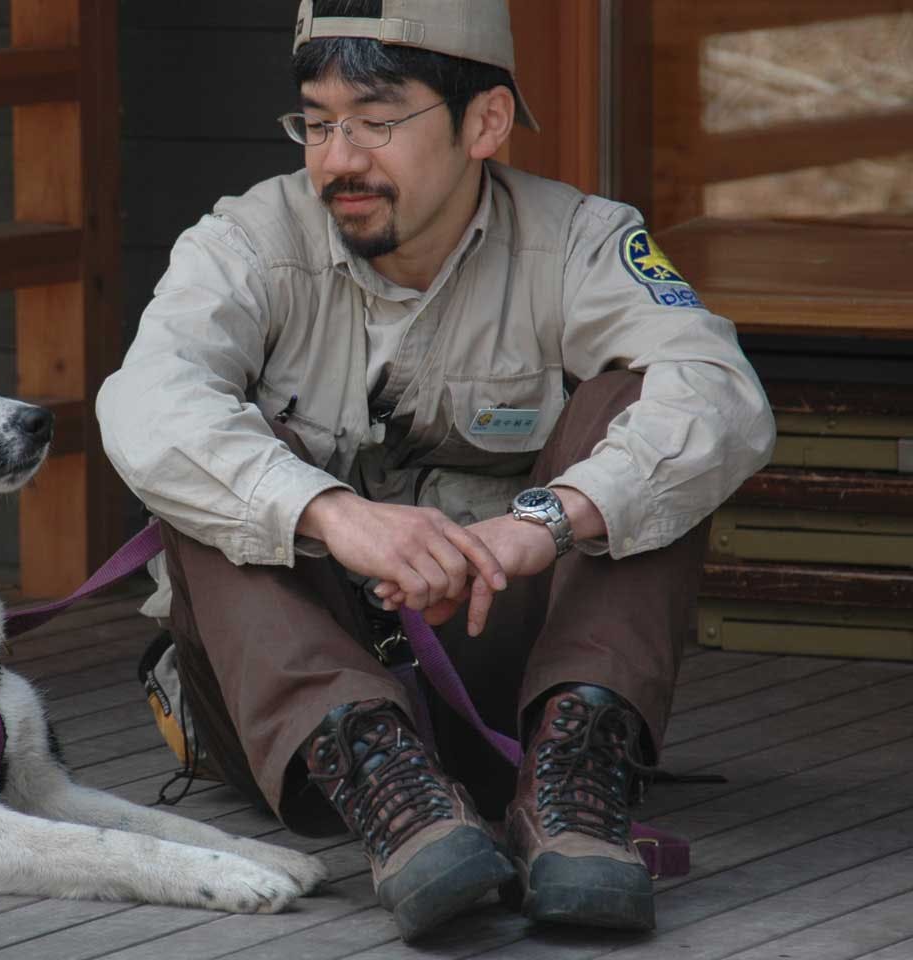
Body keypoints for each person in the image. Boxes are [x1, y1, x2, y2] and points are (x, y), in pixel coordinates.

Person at [96, 0, 774, 942]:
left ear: (485, 122)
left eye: (376, 122)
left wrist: (547, 520)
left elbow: (724, 397)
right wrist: (328, 511)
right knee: (217, 463)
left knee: (644, 418)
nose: (338, 158)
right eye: (318, 122)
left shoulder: (582, 240)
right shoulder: (245, 241)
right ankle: (384, 779)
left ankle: (575, 788)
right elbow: (145, 404)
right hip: (288, 716)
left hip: (500, 681)